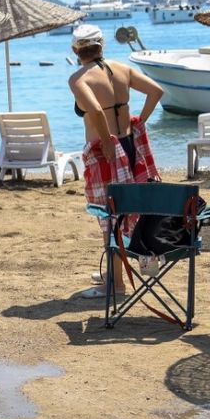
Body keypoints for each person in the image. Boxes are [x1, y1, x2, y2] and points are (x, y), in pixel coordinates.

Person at [68, 23, 165, 299]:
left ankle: (116, 285)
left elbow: (96, 110)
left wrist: (107, 141)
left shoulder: (79, 79)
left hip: (105, 151)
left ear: (76, 49)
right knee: (125, 212)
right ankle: (115, 273)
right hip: (129, 146)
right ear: (102, 45)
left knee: (109, 219)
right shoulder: (121, 69)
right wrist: (140, 123)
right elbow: (156, 91)